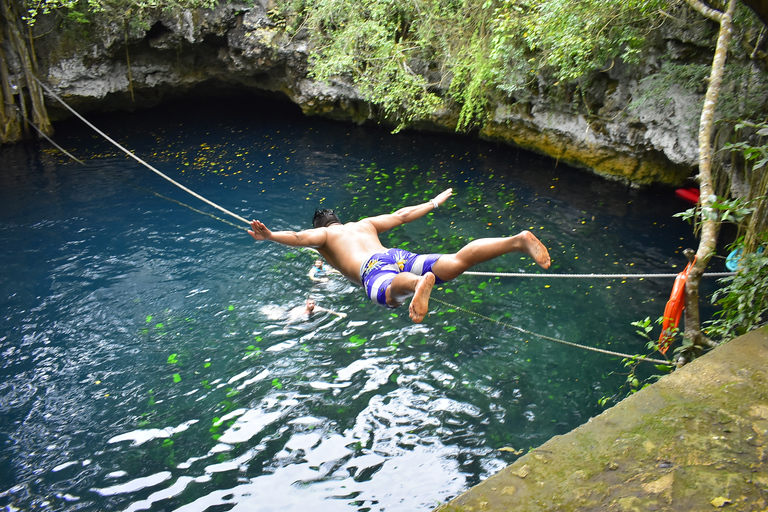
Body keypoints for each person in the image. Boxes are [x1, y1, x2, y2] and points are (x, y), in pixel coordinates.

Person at [249, 188, 550, 323]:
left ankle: (417, 285)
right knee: (458, 261)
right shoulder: (363, 224)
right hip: (396, 255)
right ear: (338, 218)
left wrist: (271, 236)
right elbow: (402, 215)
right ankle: (516, 241)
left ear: (321, 226)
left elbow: (301, 238)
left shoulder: (325, 236)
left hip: (372, 269)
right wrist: (432, 202)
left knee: (391, 293)